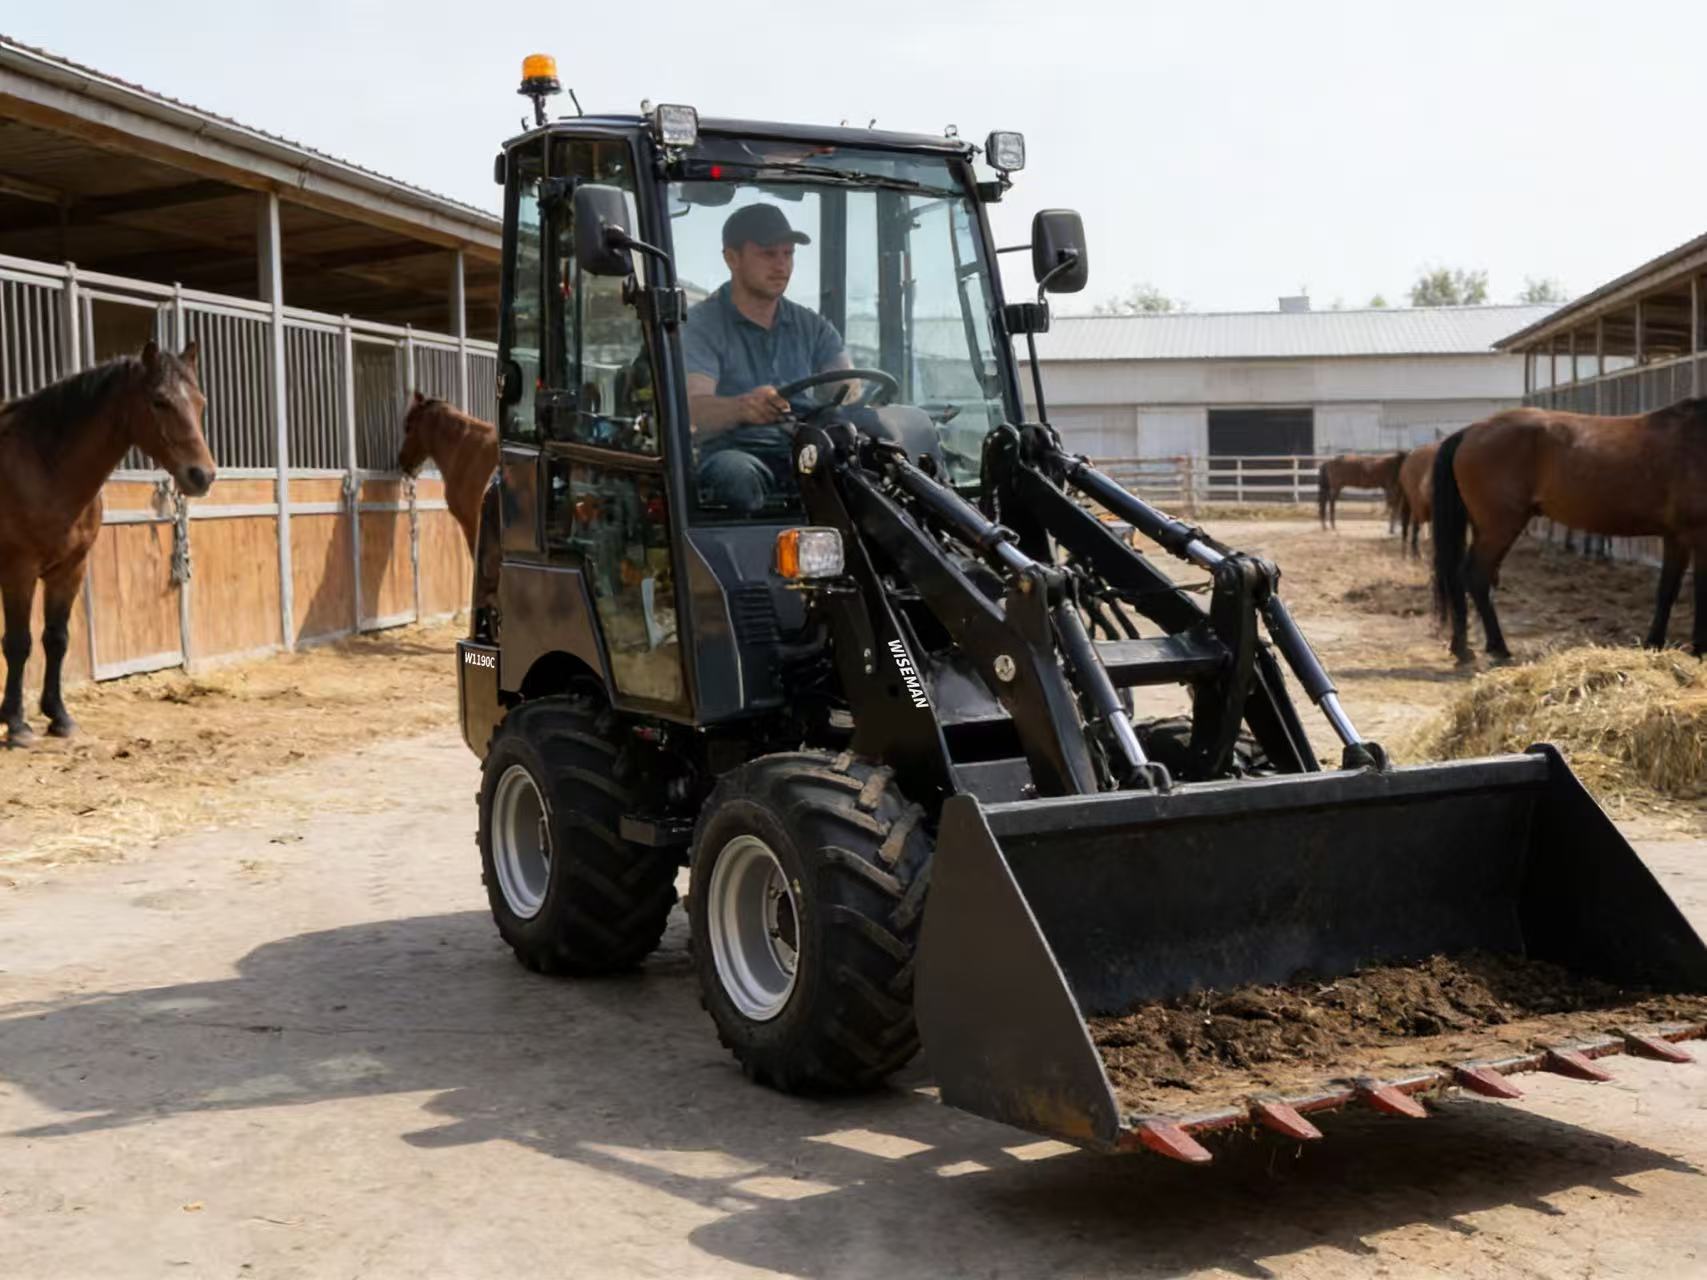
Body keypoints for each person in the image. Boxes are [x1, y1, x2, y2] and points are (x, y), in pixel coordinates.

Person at [682, 203, 855, 513]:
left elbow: (844, 381)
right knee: (735, 474)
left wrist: (850, 392)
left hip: (802, 447)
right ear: (731, 258)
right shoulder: (699, 326)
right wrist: (743, 407)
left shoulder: (811, 326)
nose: (781, 266)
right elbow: (692, 410)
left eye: (787, 254)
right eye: (768, 254)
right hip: (734, 449)